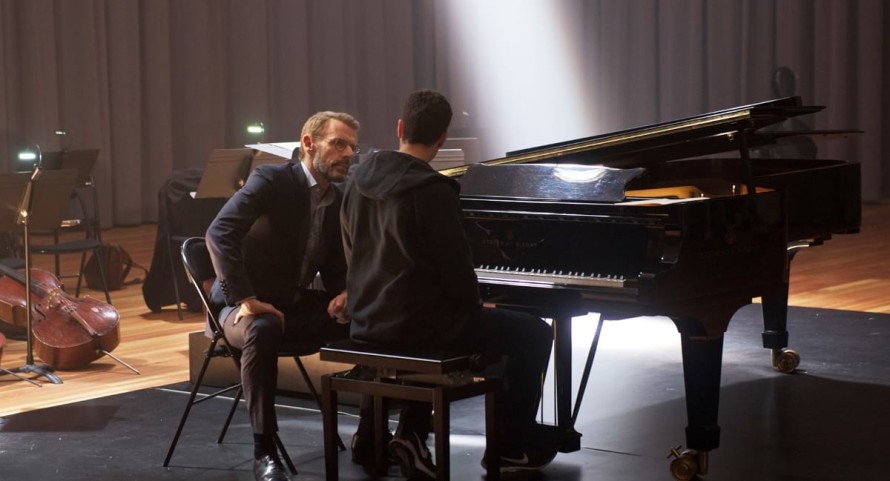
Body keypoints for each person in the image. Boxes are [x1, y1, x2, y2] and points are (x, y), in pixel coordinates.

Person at [340, 89, 555, 479]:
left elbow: (352, 252)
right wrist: (477, 306)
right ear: (442, 139)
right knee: (534, 334)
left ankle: (409, 433)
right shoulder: (432, 190)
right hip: (420, 326)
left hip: (366, 320)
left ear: (400, 127)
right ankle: (507, 448)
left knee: (455, 328)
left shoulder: (356, 181)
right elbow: (457, 272)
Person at [206, 111, 360, 481]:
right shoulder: (271, 179)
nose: (348, 154)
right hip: (238, 309)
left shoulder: (337, 198)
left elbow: (338, 263)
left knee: (373, 318)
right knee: (263, 328)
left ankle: (372, 434)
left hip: (291, 303)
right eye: (338, 144)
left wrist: (345, 293)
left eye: (353, 147)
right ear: (308, 143)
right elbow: (218, 232)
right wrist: (245, 296)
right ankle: (265, 451)